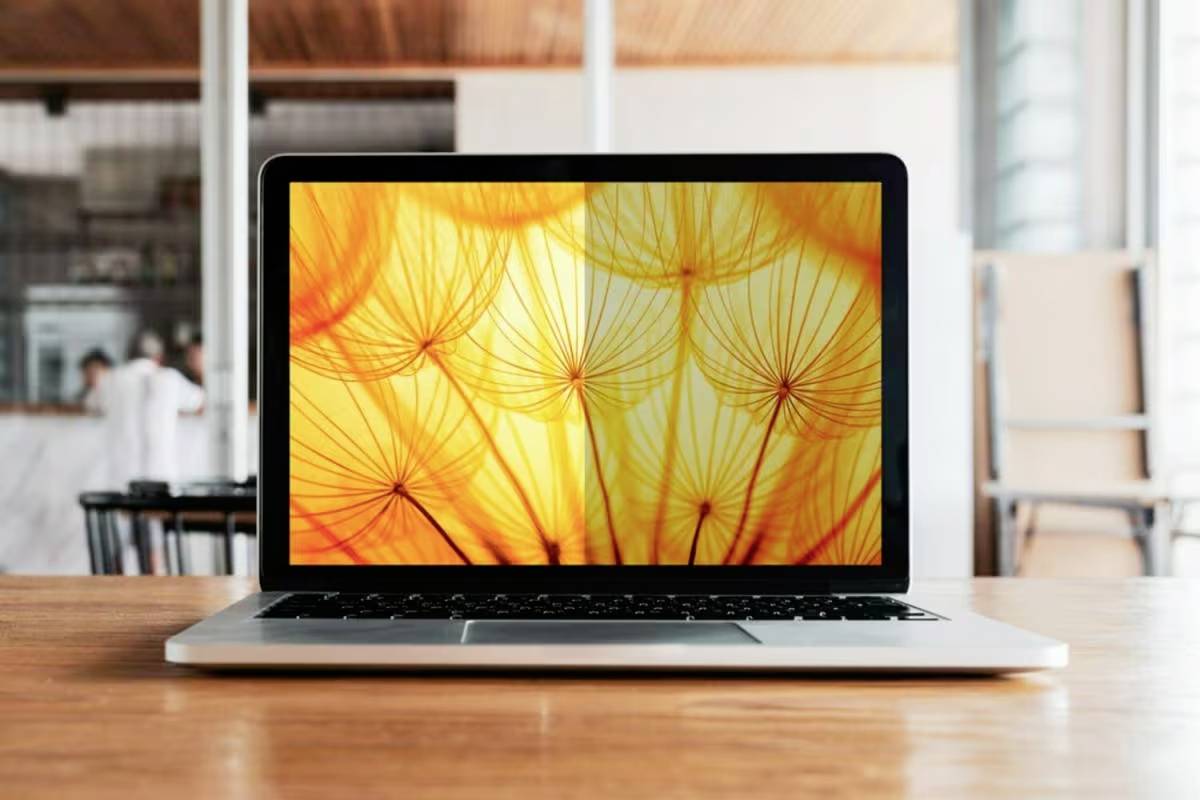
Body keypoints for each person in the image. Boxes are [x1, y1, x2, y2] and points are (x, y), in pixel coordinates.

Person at [88, 330, 205, 486]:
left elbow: (91, 404)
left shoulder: (111, 379)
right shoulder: (170, 378)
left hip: (121, 479)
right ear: (158, 357)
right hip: (160, 477)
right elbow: (201, 401)